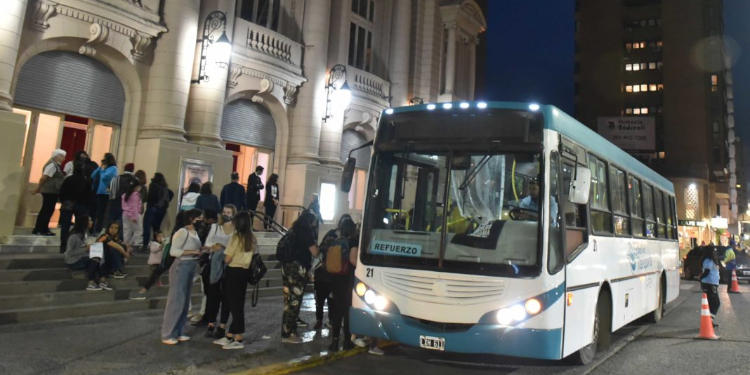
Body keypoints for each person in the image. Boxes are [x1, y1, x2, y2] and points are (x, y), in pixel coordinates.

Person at [212, 211, 256, 350]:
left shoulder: (236, 237)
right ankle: (233, 335)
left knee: (234, 305)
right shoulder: (251, 237)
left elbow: (228, 258)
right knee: (237, 304)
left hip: (233, 271)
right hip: (244, 273)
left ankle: (235, 337)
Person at [161, 209, 204, 345]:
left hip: (191, 265)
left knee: (185, 301)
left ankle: (178, 331)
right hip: (181, 266)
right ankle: (168, 333)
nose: (201, 220)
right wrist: (193, 251)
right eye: (199, 217)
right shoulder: (182, 232)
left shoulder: (195, 233)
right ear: (192, 219)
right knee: (176, 300)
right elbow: (174, 251)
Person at [281, 210, 320, 344]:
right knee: (295, 301)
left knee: (288, 301)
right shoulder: (306, 231)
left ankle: (288, 329)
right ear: (310, 221)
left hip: (286, 267)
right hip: (297, 269)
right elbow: (315, 252)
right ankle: (288, 334)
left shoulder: (293, 230)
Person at [325, 215, 359, 351]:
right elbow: (352, 260)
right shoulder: (353, 241)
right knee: (347, 311)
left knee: (337, 311)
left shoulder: (337, 240)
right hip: (348, 279)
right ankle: (347, 341)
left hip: (335, 278)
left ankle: (334, 342)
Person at [203, 205, 236, 339]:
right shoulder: (215, 227)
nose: (226, 214)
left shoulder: (236, 229)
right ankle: (211, 322)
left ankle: (222, 324)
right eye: (224, 212)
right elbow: (208, 244)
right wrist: (214, 247)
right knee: (213, 295)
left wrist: (223, 247)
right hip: (215, 265)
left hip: (229, 265)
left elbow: (236, 246)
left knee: (226, 297)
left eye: (229, 212)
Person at [64, 215, 113, 291]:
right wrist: (86, 248)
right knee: (95, 259)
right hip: (73, 260)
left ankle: (102, 280)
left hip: (83, 257)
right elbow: (69, 253)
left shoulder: (86, 233)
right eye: (90, 220)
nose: (92, 222)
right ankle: (91, 282)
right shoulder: (74, 236)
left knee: (100, 256)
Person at [58, 161, 92, 253]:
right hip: (81, 205)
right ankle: (78, 245)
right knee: (80, 226)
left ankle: (63, 246)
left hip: (68, 204)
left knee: (65, 226)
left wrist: (63, 201)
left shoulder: (68, 179)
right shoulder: (85, 181)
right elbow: (89, 195)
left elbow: (62, 192)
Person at [32, 149, 66, 235]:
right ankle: (41, 229)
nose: (63, 158)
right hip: (49, 191)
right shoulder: (52, 165)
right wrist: (38, 188)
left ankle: (42, 228)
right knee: (47, 210)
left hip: (52, 191)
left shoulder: (56, 165)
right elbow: (44, 177)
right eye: (62, 156)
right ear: (56, 156)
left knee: (47, 210)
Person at [143, 172, 171, 250]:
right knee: (157, 228)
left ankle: (145, 244)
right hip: (161, 210)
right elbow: (168, 199)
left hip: (152, 208)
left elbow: (150, 197)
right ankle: (156, 245)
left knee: (147, 226)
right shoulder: (165, 187)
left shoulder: (153, 185)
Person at [91, 153, 118, 234]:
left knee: (104, 212)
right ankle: (95, 228)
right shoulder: (103, 168)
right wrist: (100, 168)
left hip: (107, 193)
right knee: (98, 211)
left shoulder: (113, 168)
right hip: (99, 192)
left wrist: (102, 170)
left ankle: (101, 229)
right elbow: (92, 175)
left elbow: (105, 177)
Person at [106, 163, 137, 232]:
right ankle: (119, 239)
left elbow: (108, 190)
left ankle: (108, 237)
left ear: (124, 169)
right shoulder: (135, 180)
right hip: (127, 205)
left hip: (114, 203)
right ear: (133, 170)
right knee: (122, 225)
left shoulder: (116, 178)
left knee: (111, 222)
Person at [700, 246, 721, 327]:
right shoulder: (708, 261)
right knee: (716, 303)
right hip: (709, 284)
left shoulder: (712, 260)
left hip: (712, 284)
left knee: (712, 304)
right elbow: (707, 271)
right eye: (713, 251)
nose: (715, 252)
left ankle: (709, 321)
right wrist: (700, 278)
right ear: (710, 252)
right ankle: (709, 321)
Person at [121, 182, 143, 254]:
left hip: (125, 214)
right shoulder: (135, 195)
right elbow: (134, 207)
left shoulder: (124, 195)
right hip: (134, 215)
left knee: (127, 231)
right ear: (135, 187)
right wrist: (134, 217)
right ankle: (134, 245)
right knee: (138, 231)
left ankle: (125, 246)